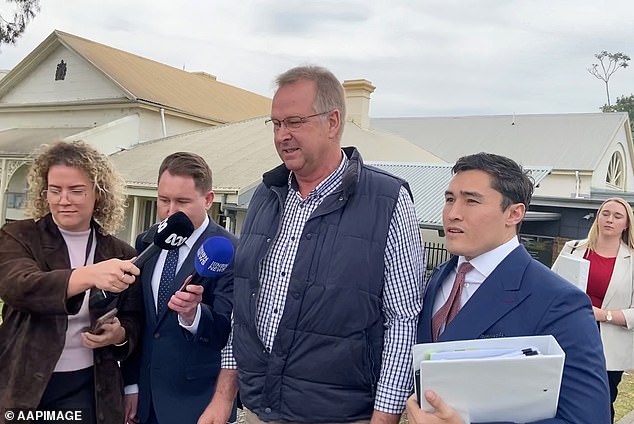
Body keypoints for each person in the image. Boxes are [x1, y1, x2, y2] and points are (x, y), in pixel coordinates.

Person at [199, 65, 424, 424]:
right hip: (258, 410)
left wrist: (384, 420)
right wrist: (224, 396)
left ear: (333, 122)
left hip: (342, 416)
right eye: (276, 124)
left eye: (294, 122)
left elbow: (402, 320)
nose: (282, 135)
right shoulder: (265, 196)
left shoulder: (388, 200)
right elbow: (243, 313)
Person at [408, 152, 610, 424]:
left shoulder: (558, 302)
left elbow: (588, 419)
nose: (453, 213)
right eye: (449, 199)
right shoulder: (439, 278)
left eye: (471, 201)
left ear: (514, 213)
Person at [0, 140, 142, 424]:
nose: (63, 199)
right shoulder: (18, 236)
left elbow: (135, 318)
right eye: (55, 190)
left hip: (89, 386)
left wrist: (120, 334)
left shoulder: (120, 253)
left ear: (98, 194)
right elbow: (20, 287)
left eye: (76, 191)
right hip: (23, 384)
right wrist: (89, 275)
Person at [123, 152, 236, 424]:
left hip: (198, 404)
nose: (170, 211)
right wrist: (132, 385)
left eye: (182, 202)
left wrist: (193, 316)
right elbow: (141, 319)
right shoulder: (148, 240)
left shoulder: (230, 251)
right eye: (163, 200)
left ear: (208, 200)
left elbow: (228, 332)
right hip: (145, 400)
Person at [552, 197, 634, 422]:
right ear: (597, 217)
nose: (609, 219)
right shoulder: (573, 248)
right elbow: (551, 287)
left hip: (608, 346)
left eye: (618, 216)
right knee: (561, 398)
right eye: (605, 213)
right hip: (568, 335)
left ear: (626, 224)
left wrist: (603, 315)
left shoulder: (632, 260)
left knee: (601, 404)